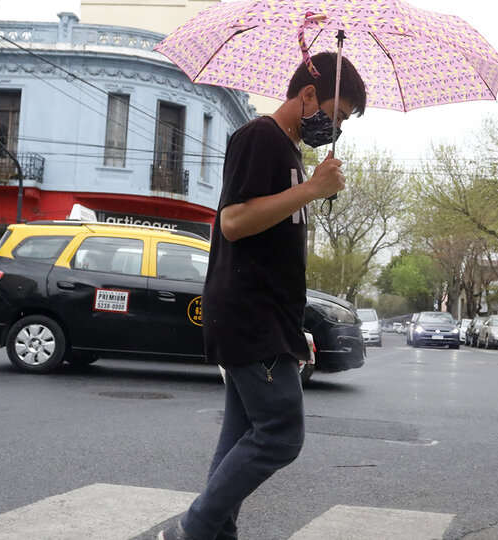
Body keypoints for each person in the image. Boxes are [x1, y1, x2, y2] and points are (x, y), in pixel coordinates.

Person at [159, 52, 367, 540]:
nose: (334, 127)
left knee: (240, 435)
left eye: (343, 122)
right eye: (334, 114)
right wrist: (312, 190)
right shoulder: (259, 136)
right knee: (279, 434)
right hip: (250, 313)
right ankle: (191, 530)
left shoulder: (290, 152)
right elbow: (233, 222)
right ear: (308, 94)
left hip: (270, 315)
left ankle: (213, 534)